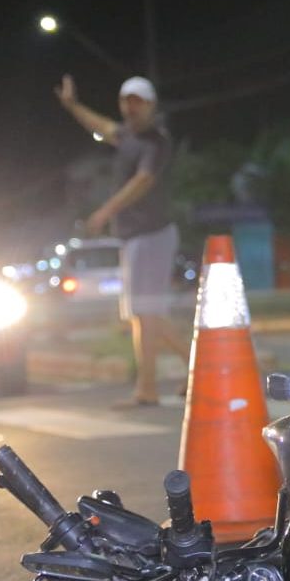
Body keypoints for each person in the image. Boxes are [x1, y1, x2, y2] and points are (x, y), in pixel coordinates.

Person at [55, 74, 190, 406]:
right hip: (134, 237)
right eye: (126, 102)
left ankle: (150, 387)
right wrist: (72, 106)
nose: (131, 108)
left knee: (146, 313)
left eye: (138, 102)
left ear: (151, 105)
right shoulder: (127, 136)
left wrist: (105, 211)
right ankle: (193, 371)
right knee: (143, 314)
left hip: (152, 234)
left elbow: (143, 181)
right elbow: (99, 124)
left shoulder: (157, 141)